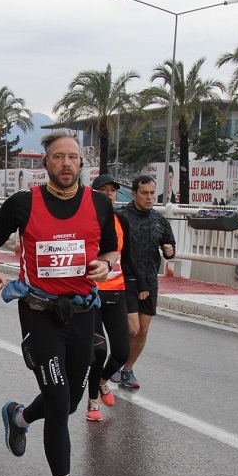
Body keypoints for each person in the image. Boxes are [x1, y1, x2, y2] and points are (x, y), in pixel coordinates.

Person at [0, 130, 118, 476]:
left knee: (72, 401)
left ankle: (19, 417)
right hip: (39, 313)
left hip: (82, 314)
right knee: (59, 403)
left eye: (73, 157)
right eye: (58, 157)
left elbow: (110, 250)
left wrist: (105, 266)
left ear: (82, 163)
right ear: (46, 164)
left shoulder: (98, 204)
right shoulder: (23, 203)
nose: (66, 164)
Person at [111, 175, 176, 390]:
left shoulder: (159, 220)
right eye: (144, 193)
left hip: (149, 281)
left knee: (143, 330)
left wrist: (169, 250)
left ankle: (127, 369)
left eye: (152, 194)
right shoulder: (120, 216)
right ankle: (115, 359)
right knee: (131, 329)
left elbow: (170, 248)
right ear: (134, 194)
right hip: (125, 280)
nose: (149, 198)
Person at [85, 174, 139, 421]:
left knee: (121, 351)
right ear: (93, 194)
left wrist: (136, 289)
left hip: (116, 292)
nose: (109, 194)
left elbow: (126, 258)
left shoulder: (121, 221)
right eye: (103, 190)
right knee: (98, 351)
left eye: (112, 190)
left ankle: (102, 381)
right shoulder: (84, 220)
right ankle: (92, 401)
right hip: (91, 293)